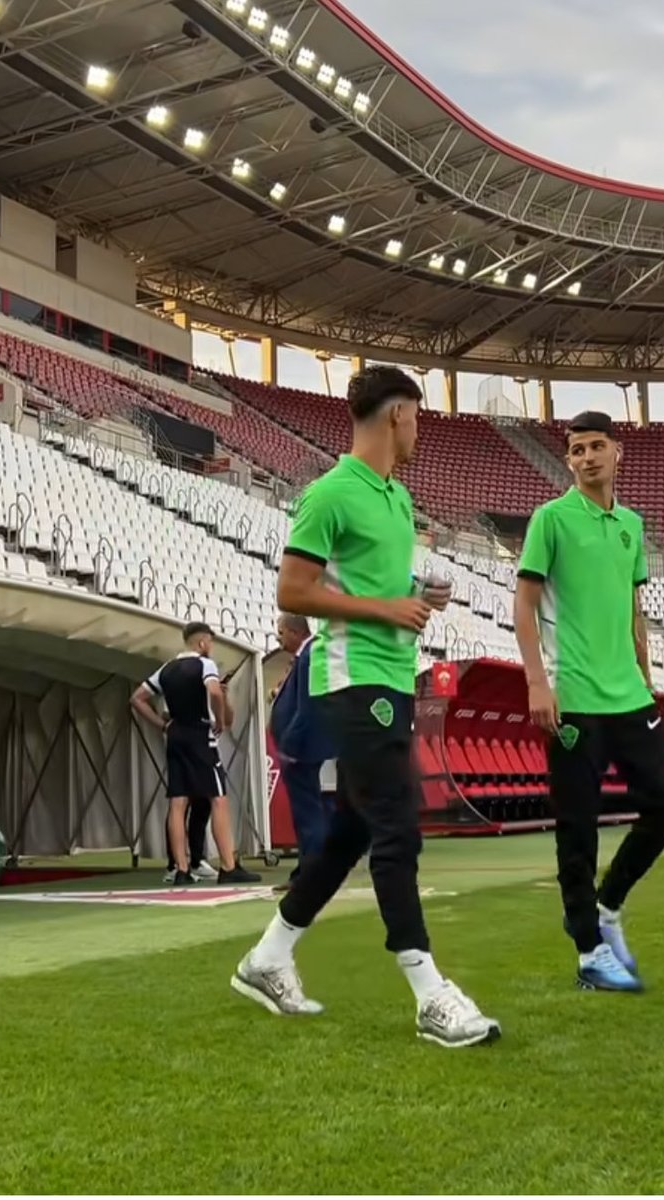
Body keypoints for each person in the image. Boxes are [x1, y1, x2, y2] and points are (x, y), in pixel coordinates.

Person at [231, 365, 500, 1048]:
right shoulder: (331, 494)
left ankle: (267, 958)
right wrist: (384, 607)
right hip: (352, 681)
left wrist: (415, 592)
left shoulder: (397, 498)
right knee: (396, 827)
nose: (420, 430)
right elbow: (293, 591)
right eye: (418, 417)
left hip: (392, 675)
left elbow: (378, 580)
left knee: (352, 830)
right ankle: (429, 992)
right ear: (397, 413)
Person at [512, 410, 664, 993]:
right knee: (577, 828)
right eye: (577, 449)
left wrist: (646, 672)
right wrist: (538, 681)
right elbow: (525, 604)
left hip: (630, 695)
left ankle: (607, 905)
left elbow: (635, 611)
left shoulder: (632, 526)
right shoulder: (551, 519)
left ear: (618, 453)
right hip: (575, 697)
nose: (586, 457)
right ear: (569, 460)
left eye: (596, 446)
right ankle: (588, 951)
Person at [131, 622, 260, 886]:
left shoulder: (166, 669)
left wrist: (162, 724)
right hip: (200, 734)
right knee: (218, 798)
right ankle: (228, 865)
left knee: (178, 802)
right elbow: (213, 691)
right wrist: (221, 718)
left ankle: (181, 869)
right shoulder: (205, 665)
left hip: (176, 733)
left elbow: (137, 698)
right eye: (209, 643)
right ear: (202, 643)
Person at [270, 613, 336, 891]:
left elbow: (309, 705)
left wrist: (291, 744)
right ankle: (309, 871)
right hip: (305, 745)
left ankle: (313, 874)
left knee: (308, 812)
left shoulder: (310, 655)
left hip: (303, 748)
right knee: (306, 812)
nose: (279, 637)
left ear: (296, 631)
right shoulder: (307, 655)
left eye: (281, 632)